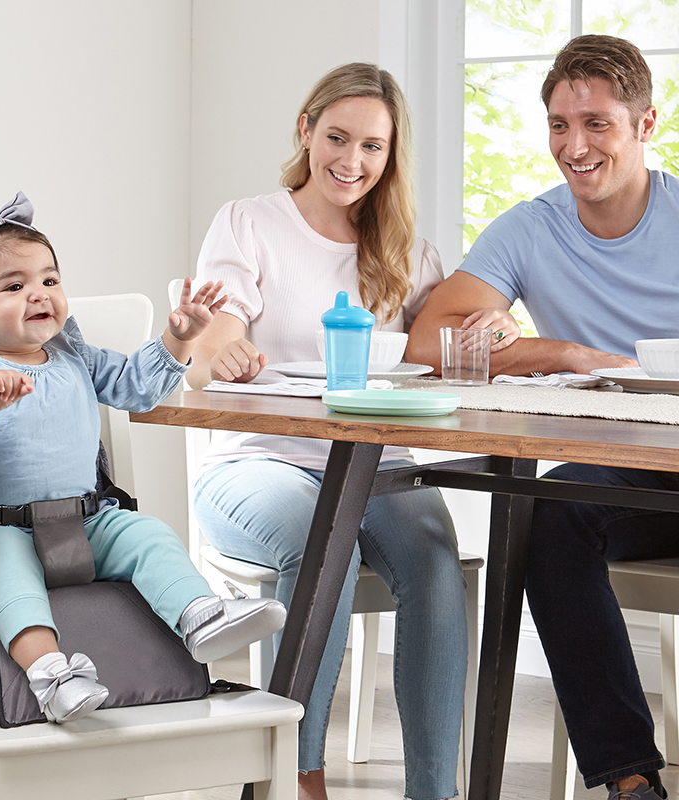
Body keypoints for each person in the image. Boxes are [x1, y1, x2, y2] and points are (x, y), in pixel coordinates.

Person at [185, 63, 519, 800]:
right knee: (318, 539)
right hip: (256, 463)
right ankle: (296, 773)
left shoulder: (407, 251)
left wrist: (491, 326)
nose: (352, 160)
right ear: (306, 131)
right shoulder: (248, 222)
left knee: (435, 560)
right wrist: (223, 346)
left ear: (390, 155)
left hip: (376, 467)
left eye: (373, 147)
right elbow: (213, 335)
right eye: (337, 137)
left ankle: (436, 790)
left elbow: (446, 345)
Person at [407, 34, 679, 800]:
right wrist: (560, 352)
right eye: (560, 125)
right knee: (551, 517)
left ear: (645, 125)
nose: (574, 145)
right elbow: (432, 338)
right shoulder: (532, 227)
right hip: (625, 472)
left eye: (596, 124)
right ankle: (629, 781)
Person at [0, 191, 286, 725]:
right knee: (3, 573)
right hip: (0, 527)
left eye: (49, 280)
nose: (39, 294)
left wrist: (177, 339)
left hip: (87, 520)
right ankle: (52, 677)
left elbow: (137, 388)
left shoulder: (73, 354)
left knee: (149, 535)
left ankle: (200, 616)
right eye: (15, 286)